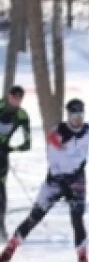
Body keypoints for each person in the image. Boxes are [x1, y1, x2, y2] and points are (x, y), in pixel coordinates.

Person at [0, 98, 89, 262]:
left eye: (80, 116)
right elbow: (54, 163)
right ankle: (7, 254)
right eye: (74, 116)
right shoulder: (57, 134)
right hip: (55, 181)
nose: (77, 120)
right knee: (34, 218)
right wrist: (63, 185)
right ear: (68, 116)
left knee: (77, 219)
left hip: (76, 179)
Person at [0, 85, 32, 239]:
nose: (16, 100)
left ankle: (1, 227)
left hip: (2, 156)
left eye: (20, 98)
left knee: (0, 192)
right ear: (8, 96)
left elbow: (27, 144)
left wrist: (11, 148)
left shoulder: (22, 115)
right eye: (14, 97)